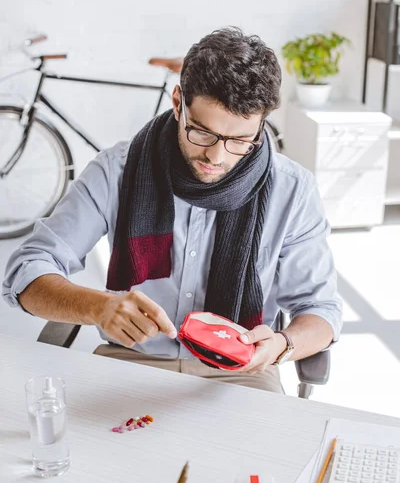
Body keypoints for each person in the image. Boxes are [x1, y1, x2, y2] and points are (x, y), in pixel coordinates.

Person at [2, 27, 342, 393]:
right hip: (132, 363)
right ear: (178, 102)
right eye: (203, 132)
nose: (217, 156)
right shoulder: (116, 171)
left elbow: (321, 308)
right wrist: (97, 306)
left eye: (241, 141)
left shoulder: (292, 190)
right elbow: (26, 271)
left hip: (241, 374)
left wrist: (283, 345)